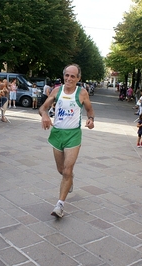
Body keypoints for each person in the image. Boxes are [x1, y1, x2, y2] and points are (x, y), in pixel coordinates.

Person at [38, 64, 94, 218]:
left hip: (73, 135)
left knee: (67, 171)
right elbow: (43, 107)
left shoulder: (82, 93)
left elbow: (89, 109)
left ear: (78, 78)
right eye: (67, 75)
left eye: (73, 76)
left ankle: (59, 205)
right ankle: (69, 179)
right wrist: (44, 115)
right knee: (61, 171)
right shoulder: (57, 91)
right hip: (57, 134)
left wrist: (91, 119)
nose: (69, 78)